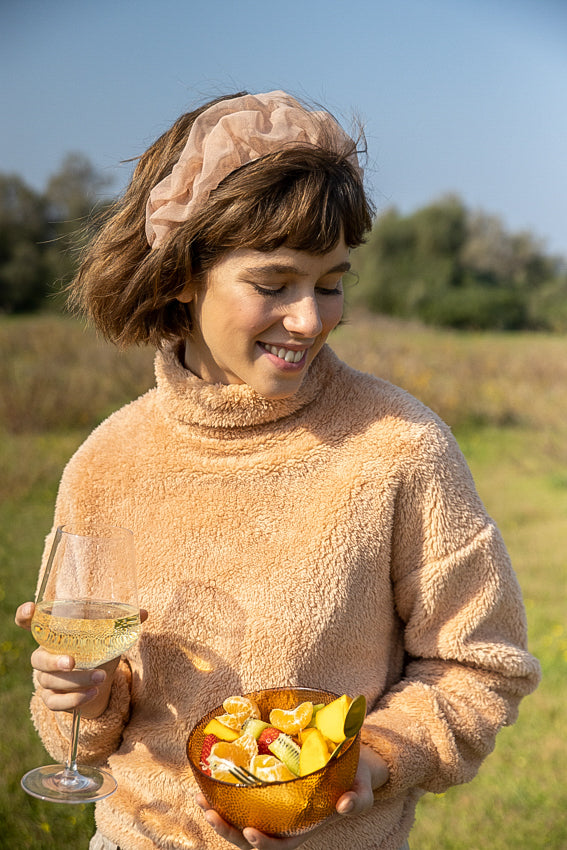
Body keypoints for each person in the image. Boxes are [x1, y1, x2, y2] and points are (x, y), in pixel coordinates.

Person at [16, 90, 540, 850]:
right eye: (273, 284)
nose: (309, 319)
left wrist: (370, 762)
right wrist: (83, 697)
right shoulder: (105, 461)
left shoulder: (398, 444)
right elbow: (84, 730)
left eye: (330, 283)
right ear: (180, 275)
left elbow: (478, 668)